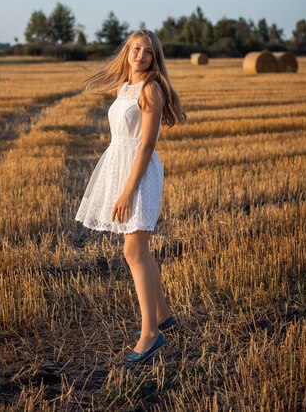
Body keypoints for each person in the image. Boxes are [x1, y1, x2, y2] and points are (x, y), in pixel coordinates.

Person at [75, 29, 187, 365]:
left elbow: (147, 145)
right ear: (127, 52)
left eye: (148, 52)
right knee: (139, 250)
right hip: (120, 166)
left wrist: (127, 190)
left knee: (134, 250)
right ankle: (164, 315)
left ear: (155, 58)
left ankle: (150, 334)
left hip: (139, 173)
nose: (140, 56)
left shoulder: (151, 88)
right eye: (135, 49)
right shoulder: (125, 86)